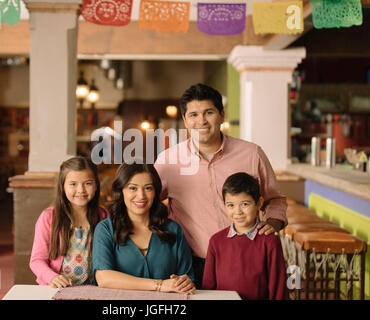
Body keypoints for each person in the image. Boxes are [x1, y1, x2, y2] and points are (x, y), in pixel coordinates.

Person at [154, 83, 287, 288]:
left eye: (209, 112)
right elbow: (146, 203)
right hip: (191, 262)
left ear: (222, 115)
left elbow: (275, 199)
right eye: (193, 115)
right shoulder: (168, 161)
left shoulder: (252, 154)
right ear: (185, 120)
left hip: (246, 259)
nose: (201, 121)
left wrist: (273, 223)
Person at [92, 162, 196, 294]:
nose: (141, 196)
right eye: (133, 188)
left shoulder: (173, 229)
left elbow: (187, 277)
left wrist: (185, 283)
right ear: (121, 190)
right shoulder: (105, 229)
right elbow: (103, 278)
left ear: (155, 191)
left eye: (148, 188)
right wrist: (160, 285)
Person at [202, 172, 288, 300]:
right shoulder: (216, 241)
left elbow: (278, 288)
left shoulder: (270, 241)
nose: (238, 212)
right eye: (231, 205)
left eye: (245, 204)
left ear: (259, 203)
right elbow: (208, 288)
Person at [30, 156, 109, 287]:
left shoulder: (104, 216)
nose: (81, 190)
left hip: (92, 288)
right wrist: (52, 277)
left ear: (96, 185)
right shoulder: (49, 217)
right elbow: (37, 260)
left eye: (88, 183)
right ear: (63, 186)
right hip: (56, 288)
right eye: (73, 184)